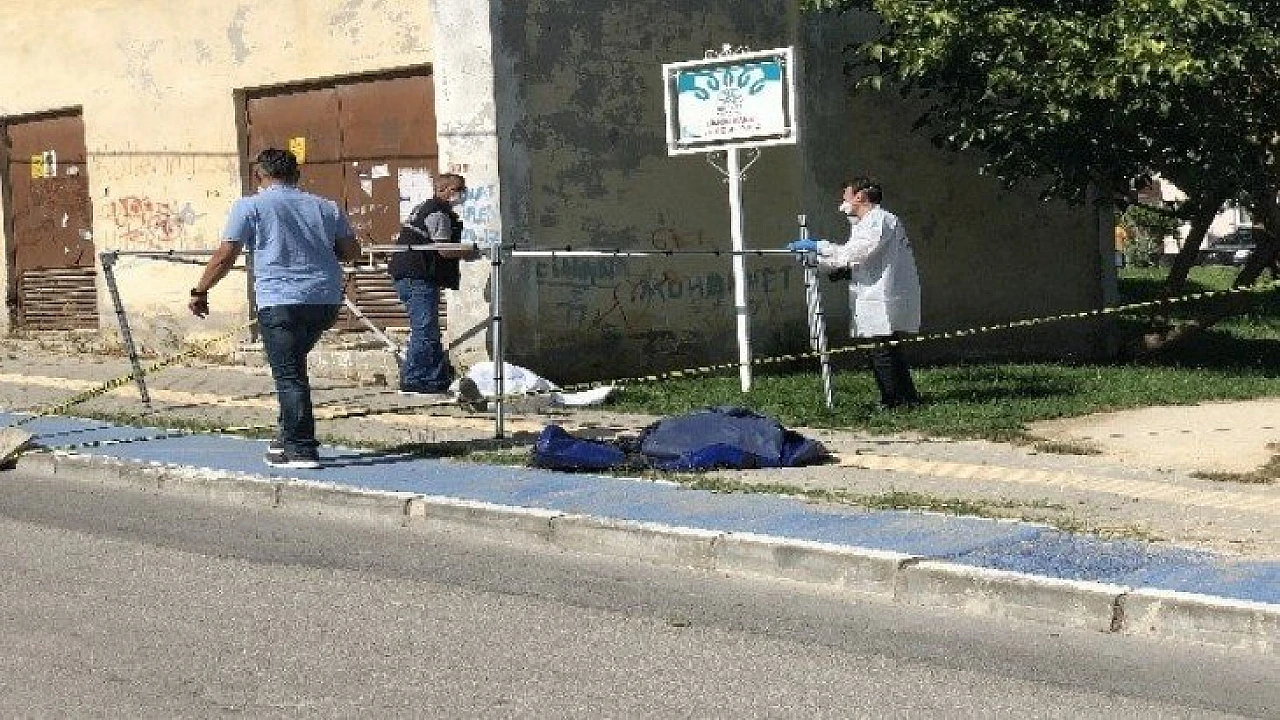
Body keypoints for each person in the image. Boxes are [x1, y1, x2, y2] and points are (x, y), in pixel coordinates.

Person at [189, 147, 360, 469]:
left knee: (289, 376)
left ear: (259, 175)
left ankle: (300, 449)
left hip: (280, 299)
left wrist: (200, 290)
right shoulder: (327, 207)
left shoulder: (249, 206)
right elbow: (351, 251)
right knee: (293, 368)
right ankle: (285, 435)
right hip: (323, 300)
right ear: (297, 174)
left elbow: (225, 255)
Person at [788, 177, 922, 408]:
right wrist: (818, 261)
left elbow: (855, 253)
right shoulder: (866, 224)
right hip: (873, 291)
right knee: (886, 349)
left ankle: (894, 401)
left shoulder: (878, 220)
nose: (843, 203)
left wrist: (819, 247)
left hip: (880, 294)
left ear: (859, 196)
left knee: (881, 350)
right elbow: (851, 262)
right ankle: (906, 398)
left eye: (846, 197)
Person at [387, 172, 479, 396]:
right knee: (425, 329)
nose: (462, 194)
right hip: (417, 275)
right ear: (444, 190)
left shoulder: (425, 208)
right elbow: (444, 249)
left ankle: (435, 379)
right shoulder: (438, 213)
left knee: (429, 329)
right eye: (458, 190)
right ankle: (415, 379)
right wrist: (469, 251)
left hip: (411, 274)